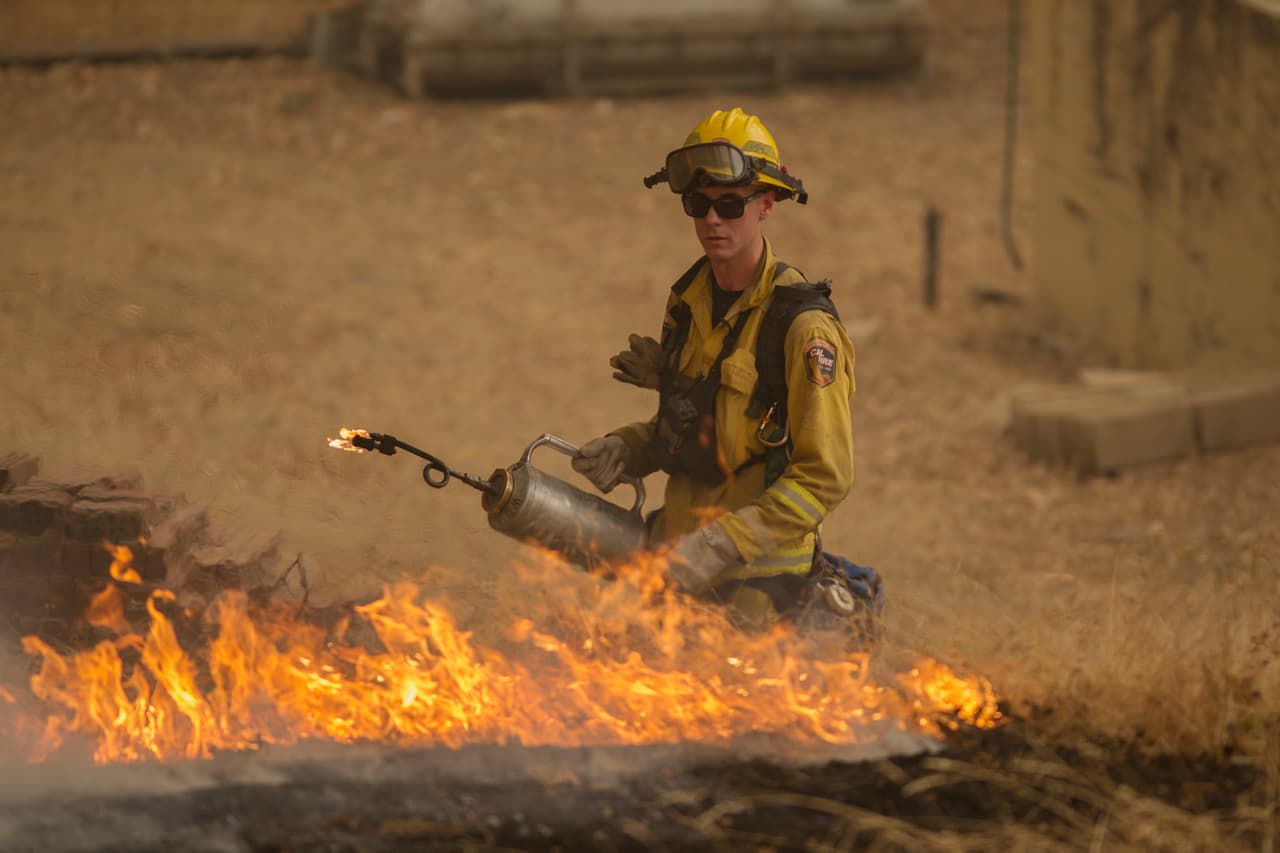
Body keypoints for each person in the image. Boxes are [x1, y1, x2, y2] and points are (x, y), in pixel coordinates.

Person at [573, 107, 879, 631]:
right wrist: (632, 446)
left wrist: (720, 544)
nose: (713, 220)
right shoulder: (687, 302)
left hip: (761, 594)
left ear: (767, 204)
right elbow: (704, 427)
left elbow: (824, 476)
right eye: (699, 205)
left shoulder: (803, 328)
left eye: (730, 205)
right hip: (677, 574)